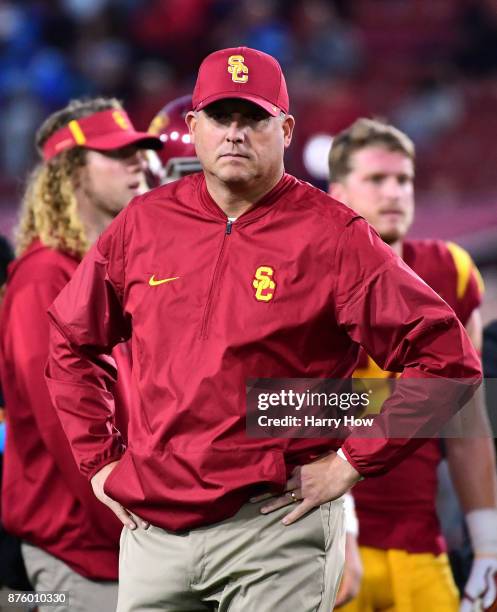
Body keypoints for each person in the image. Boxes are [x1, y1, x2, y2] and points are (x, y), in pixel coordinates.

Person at [45, 47, 480, 612]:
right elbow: (70, 340)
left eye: (253, 118)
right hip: (154, 532)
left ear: (286, 129)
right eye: (221, 117)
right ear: (194, 126)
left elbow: (449, 361)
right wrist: (100, 460)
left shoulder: (334, 235)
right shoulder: (144, 223)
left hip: (274, 528)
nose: (234, 133)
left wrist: (350, 463)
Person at [328, 118, 497, 612]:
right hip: (325, 537)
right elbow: (282, 413)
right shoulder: (309, 273)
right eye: (377, 180)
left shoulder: (451, 272)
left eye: (403, 179)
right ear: (338, 193)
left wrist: (487, 544)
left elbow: (467, 424)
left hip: (420, 540)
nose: (395, 192)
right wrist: (339, 532)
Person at [0, 97, 161, 611]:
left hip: (128, 544)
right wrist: (143, 536)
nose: (138, 162)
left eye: (139, 150)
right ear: (70, 173)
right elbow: (65, 431)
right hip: (82, 558)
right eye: (117, 154)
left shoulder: (115, 269)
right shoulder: (44, 276)